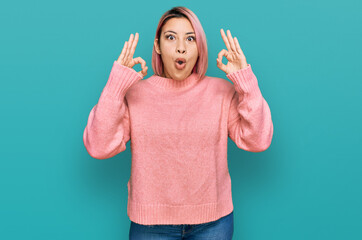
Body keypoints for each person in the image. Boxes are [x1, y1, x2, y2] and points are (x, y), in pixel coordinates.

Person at [83, 6, 273, 240]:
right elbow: (98, 146)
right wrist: (116, 85)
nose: (181, 47)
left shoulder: (221, 92)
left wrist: (245, 79)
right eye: (171, 37)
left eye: (190, 39)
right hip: (150, 226)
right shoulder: (135, 94)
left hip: (214, 224)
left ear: (198, 47)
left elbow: (259, 140)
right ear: (157, 46)